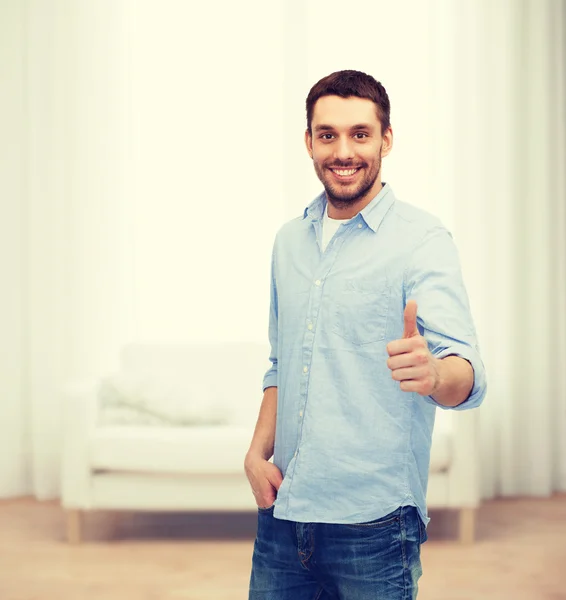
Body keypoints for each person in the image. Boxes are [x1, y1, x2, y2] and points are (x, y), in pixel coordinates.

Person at [244, 69, 487, 600]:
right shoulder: (289, 242)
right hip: (283, 513)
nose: (343, 151)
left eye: (360, 133)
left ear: (386, 139)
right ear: (309, 142)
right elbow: (281, 365)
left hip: (374, 526)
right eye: (327, 135)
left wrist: (433, 374)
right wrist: (256, 453)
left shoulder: (422, 240)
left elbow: (467, 374)